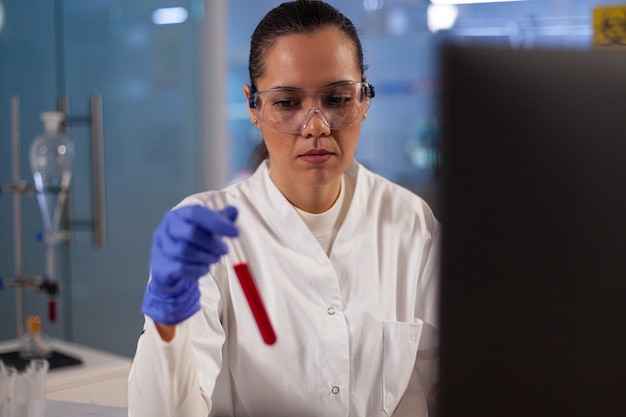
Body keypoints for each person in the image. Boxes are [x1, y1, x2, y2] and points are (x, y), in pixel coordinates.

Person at [128, 1, 440, 416]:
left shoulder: (409, 222)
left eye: (337, 98)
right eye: (287, 103)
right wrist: (167, 321)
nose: (316, 125)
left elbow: (461, 384)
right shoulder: (208, 236)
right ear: (253, 106)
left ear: (364, 98)